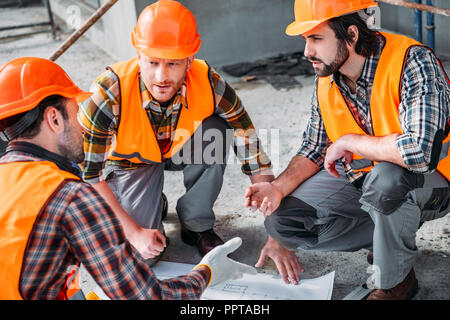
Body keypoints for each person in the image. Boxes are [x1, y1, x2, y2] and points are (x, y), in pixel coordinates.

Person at [0, 57, 256, 300]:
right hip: (130, 165)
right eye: (75, 110)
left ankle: (163, 206)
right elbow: (145, 295)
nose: (82, 123)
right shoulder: (70, 197)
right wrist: (207, 274)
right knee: (140, 259)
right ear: (54, 119)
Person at [246, 0, 449, 300]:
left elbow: (420, 151)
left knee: (387, 179)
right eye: (305, 40)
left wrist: (349, 142)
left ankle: (396, 281)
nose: (306, 52)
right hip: (369, 181)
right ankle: (386, 244)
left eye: (316, 38)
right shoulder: (327, 77)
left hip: (434, 180)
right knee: (281, 222)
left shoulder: (412, 61)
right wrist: (276, 188)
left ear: (351, 35)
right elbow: (314, 148)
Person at [79, 0, 274, 262]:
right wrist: (134, 232)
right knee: (144, 256)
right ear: (138, 55)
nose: (162, 76)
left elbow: (249, 142)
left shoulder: (209, 82)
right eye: (153, 62)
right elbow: (89, 176)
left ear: (189, 59)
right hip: (130, 163)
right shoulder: (107, 93)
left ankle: (196, 225)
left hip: (176, 148)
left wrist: (275, 224)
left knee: (215, 129)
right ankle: (152, 202)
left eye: (173, 64)